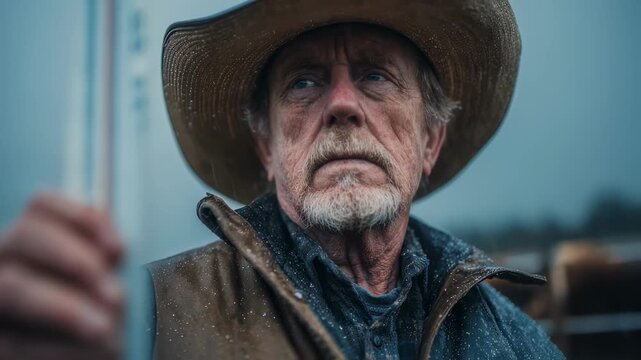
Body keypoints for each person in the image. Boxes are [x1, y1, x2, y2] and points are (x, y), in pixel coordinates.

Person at [0, 0, 565, 359]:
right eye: (304, 82)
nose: (342, 104)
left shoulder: (514, 341)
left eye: (375, 76)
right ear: (266, 146)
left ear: (429, 143)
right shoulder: (144, 322)